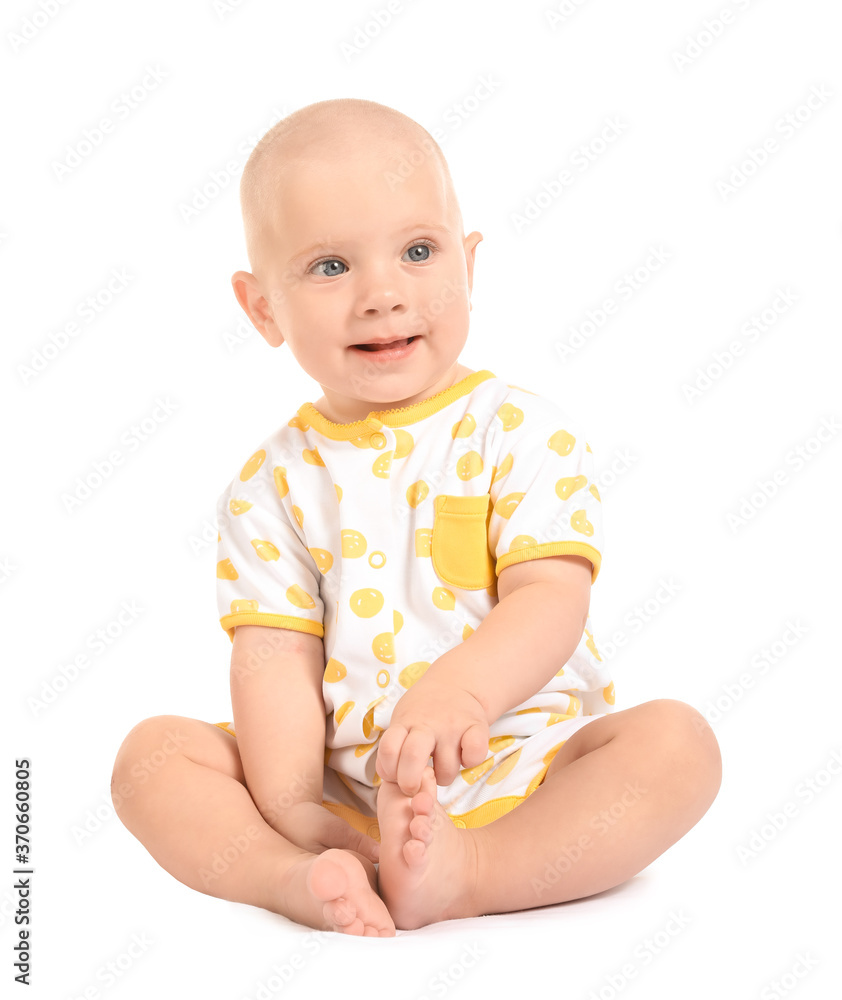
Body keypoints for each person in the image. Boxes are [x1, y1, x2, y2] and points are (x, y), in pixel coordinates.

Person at [111, 98, 722, 937]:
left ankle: (472, 871)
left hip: (515, 769)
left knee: (676, 747)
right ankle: (296, 877)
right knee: (151, 759)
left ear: (468, 265)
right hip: (342, 787)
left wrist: (459, 696)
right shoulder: (272, 484)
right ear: (262, 310)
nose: (383, 295)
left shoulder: (520, 432)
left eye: (419, 251)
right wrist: (292, 803)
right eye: (330, 267)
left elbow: (552, 594)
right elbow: (273, 655)